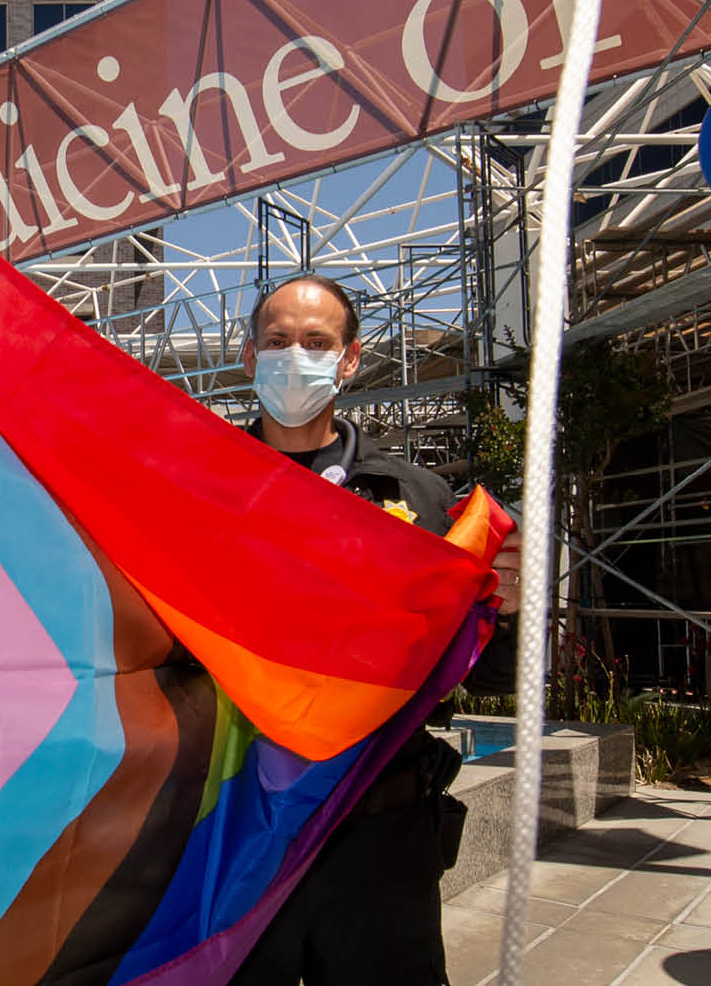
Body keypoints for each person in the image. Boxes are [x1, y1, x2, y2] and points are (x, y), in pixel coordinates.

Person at [233, 273, 521, 986]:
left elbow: (477, 678)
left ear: (350, 358)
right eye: (276, 341)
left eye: (314, 342)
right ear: (247, 358)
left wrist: (506, 612)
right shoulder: (207, 485)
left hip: (377, 840)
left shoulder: (414, 497)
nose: (293, 355)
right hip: (236, 837)